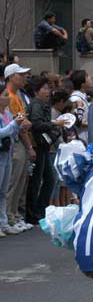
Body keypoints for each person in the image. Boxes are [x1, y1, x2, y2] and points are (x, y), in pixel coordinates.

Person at [26, 77, 67, 223]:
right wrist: (54, 123)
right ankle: (34, 213)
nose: (47, 91)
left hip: (43, 146)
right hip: (38, 146)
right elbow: (36, 124)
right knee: (38, 181)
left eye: (48, 88)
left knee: (49, 179)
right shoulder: (36, 105)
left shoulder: (43, 104)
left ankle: (40, 210)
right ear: (36, 91)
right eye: (44, 88)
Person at [2, 64, 35, 232]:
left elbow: (24, 118)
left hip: (20, 140)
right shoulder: (8, 95)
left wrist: (23, 121)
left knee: (20, 180)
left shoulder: (18, 96)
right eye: (19, 75)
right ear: (11, 77)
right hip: (14, 141)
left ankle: (14, 215)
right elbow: (19, 121)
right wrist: (23, 122)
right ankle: (8, 216)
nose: (23, 77)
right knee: (13, 182)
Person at [0, 92, 29, 236]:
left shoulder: (7, 113)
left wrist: (20, 124)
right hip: (1, 153)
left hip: (8, 153)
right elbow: (2, 132)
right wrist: (14, 123)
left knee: (4, 191)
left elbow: (13, 131)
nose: (7, 98)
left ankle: (4, 224)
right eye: (4, 95)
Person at [69, 70, 91, 142]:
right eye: (87, 77)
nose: (90, 78)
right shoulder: (75, 99)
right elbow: (76, 121)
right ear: (82, 85)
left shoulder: (83, 96)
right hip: (79, 137)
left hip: (86, 136)